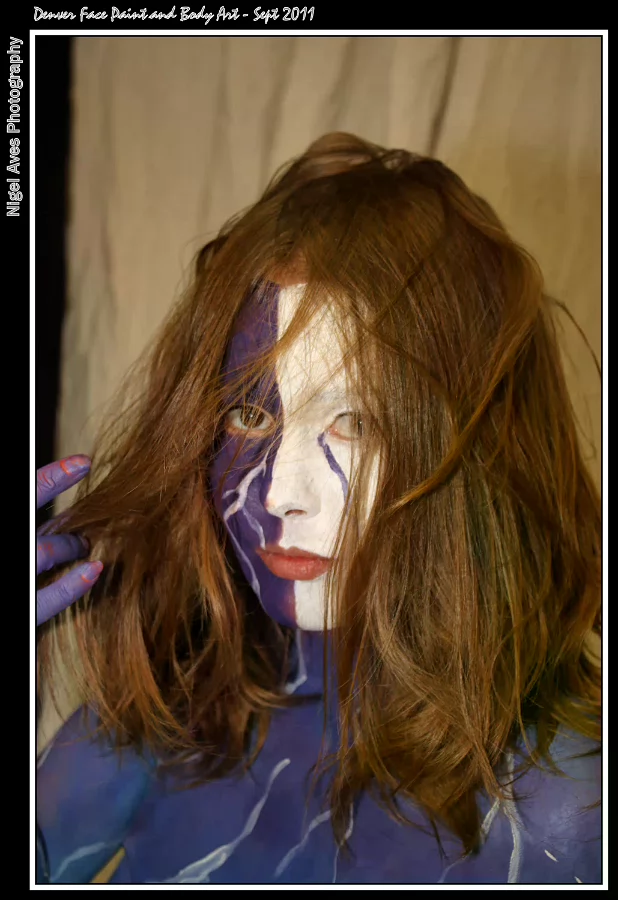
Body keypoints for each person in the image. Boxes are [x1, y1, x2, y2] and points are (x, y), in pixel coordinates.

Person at [36, 133, 602, 884]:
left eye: (356, 422)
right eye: (248, 416)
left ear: (479, 450)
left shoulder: (570, 814)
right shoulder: (158, 729)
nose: (280, 494)